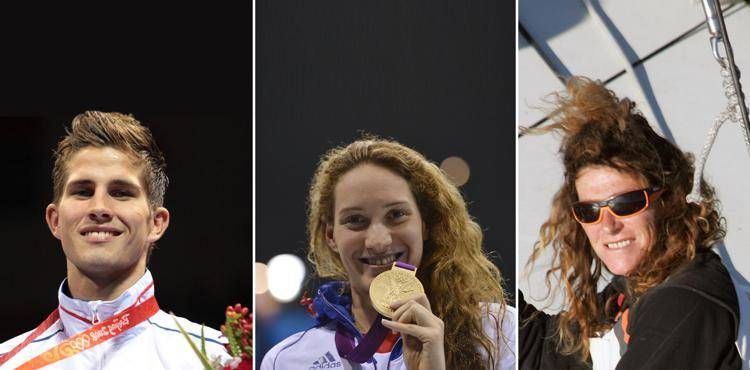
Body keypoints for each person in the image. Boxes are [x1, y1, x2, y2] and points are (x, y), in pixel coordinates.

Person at [519, 77, 741, 369]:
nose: (607, 225)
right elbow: (544, 352)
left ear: (668, 199)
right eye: (589, 211)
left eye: (626, 205)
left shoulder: (684, 301)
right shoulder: (633, 290)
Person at [0, 112, 231, 369]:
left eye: (121, 193)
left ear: (156, 223)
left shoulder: (218, 359)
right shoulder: (9, 363)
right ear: (55, 220)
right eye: (83, 192)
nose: (99, 208)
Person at [261, 137, 516, 370]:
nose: (378, 241)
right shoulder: (287, 361)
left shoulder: (499, 332)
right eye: (355, 220)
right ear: (331, 236)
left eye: (396, 215)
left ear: (424, 224)